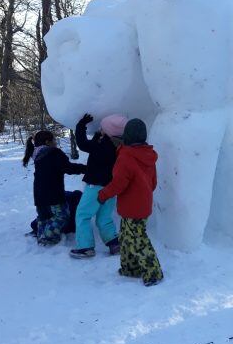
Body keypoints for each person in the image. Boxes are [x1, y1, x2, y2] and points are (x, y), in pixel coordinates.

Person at [98, 118, 164, 286]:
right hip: (142, 205)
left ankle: (153, 272)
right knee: (127, 238)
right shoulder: (148, 155)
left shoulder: (125, 157)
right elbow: (153, 182)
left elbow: (118, 184)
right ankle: (130, 268)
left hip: (131, 207)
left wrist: (104, 194)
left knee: (139, 241)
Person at [70, 113, 127, 259]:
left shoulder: (100, 146)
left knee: (83, 215)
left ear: (107, 131)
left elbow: (82, 144)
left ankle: (85, 247)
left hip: (94, 187)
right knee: (104, 217)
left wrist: (81, 125)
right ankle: (114, 243)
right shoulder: (119, 146)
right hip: (110, 188)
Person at [23, 130, 86, 246]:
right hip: (53, 194)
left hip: (39, 194)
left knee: (44, 217)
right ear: (48, 142)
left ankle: (41, 236)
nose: (56, 142)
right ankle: (46, 238)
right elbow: (69, 168)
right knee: (62, 215)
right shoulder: (54, 153)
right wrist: (86, 169)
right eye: (54, 140)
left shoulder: (37, 153)